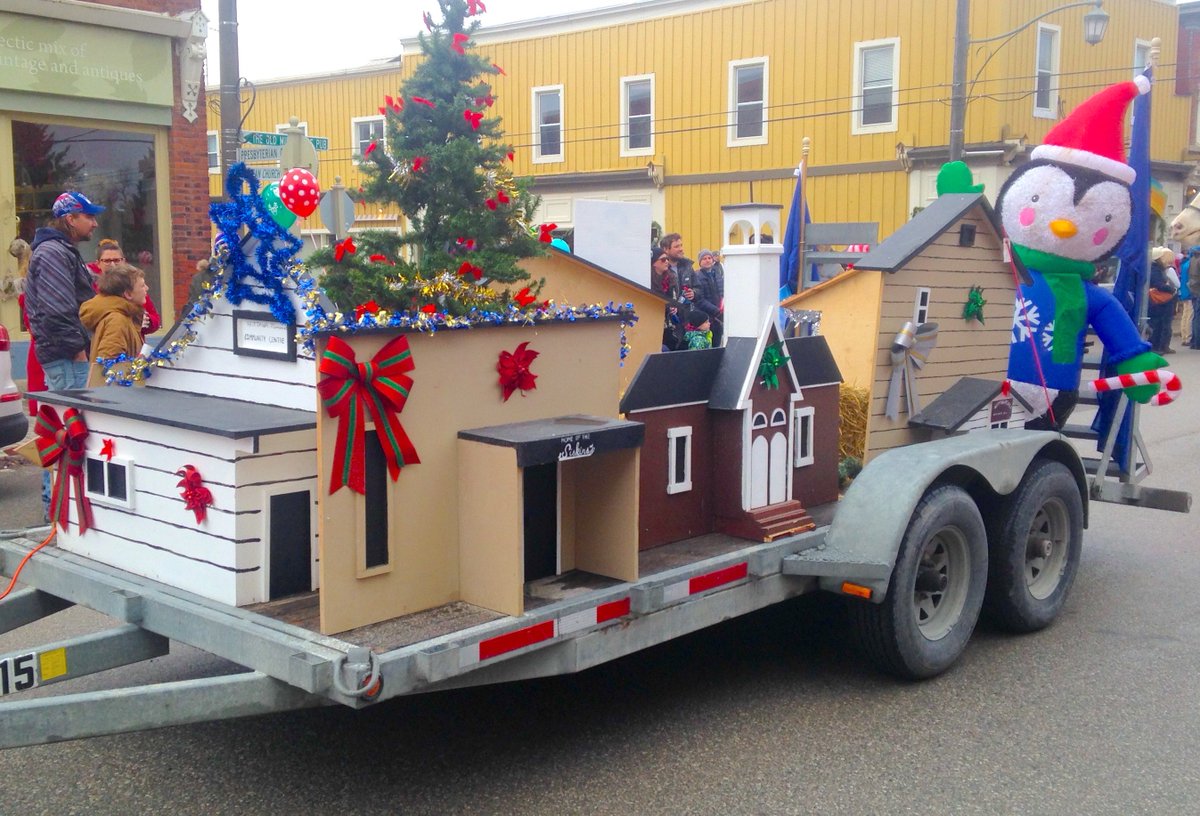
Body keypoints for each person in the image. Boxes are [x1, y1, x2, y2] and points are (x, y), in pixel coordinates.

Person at [25, 190, 104, 522]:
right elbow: (58, 310)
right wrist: (78, 349)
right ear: (70, 218)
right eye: (88, 216)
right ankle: (59, 514)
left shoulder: (58, 251)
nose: (94, 223)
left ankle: (59, 513)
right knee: (67, 434)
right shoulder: (55, 253)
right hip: (67, 356)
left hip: (64, 353)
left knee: (64, 431)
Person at [79, 263, 149, 387]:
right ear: (128, 294)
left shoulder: (124, 314)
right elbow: (110, 365)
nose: (147, 288)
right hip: (117, 398)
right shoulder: (117, 319)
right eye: (142, 285)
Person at [89, 238, 161, 340]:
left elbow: (155, 320)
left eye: (117, 260)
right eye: (107, 261)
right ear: (98, 263)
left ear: (124, 261)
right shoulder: (90, 286)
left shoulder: (134, 286)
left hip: (134, 344)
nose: (113, 265)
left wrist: (145, 321)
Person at [651, 246, 683, 351]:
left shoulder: (670, 278)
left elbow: (675, 297)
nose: (666, 262)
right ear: (654, 263)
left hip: (670, 325)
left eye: (667, 259)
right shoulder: (648, 281)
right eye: (663, 260)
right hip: (656, 323)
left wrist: (674, 307)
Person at [691, 249, 724, 347]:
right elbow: (700, 299)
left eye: (709, 258)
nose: (707, 260)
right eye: (704, 258)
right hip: (706, 316)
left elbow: (722, 292)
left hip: (719, 316)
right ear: (700, 262)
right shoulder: (697, 276)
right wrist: (716, 310)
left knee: (717, 342)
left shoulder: (717, 274)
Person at [1147, 248, 1177, 355]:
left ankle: (1158, 346)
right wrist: (1170, 289)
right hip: (1158, 301)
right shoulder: (1155, 269)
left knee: (1159, 324)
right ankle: (1155, 347)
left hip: (1158, 302)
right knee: (1157, 324)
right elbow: (1158, 284)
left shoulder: (1156, 268)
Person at [659, 232, 696, 310]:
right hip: (669, 316)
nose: (681, 249)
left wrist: (694, 293)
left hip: (687, 315)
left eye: (681, 245)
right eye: (676, 246)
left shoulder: (687, 266)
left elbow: (698, 287)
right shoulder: (660, 269)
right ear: (665, 249)